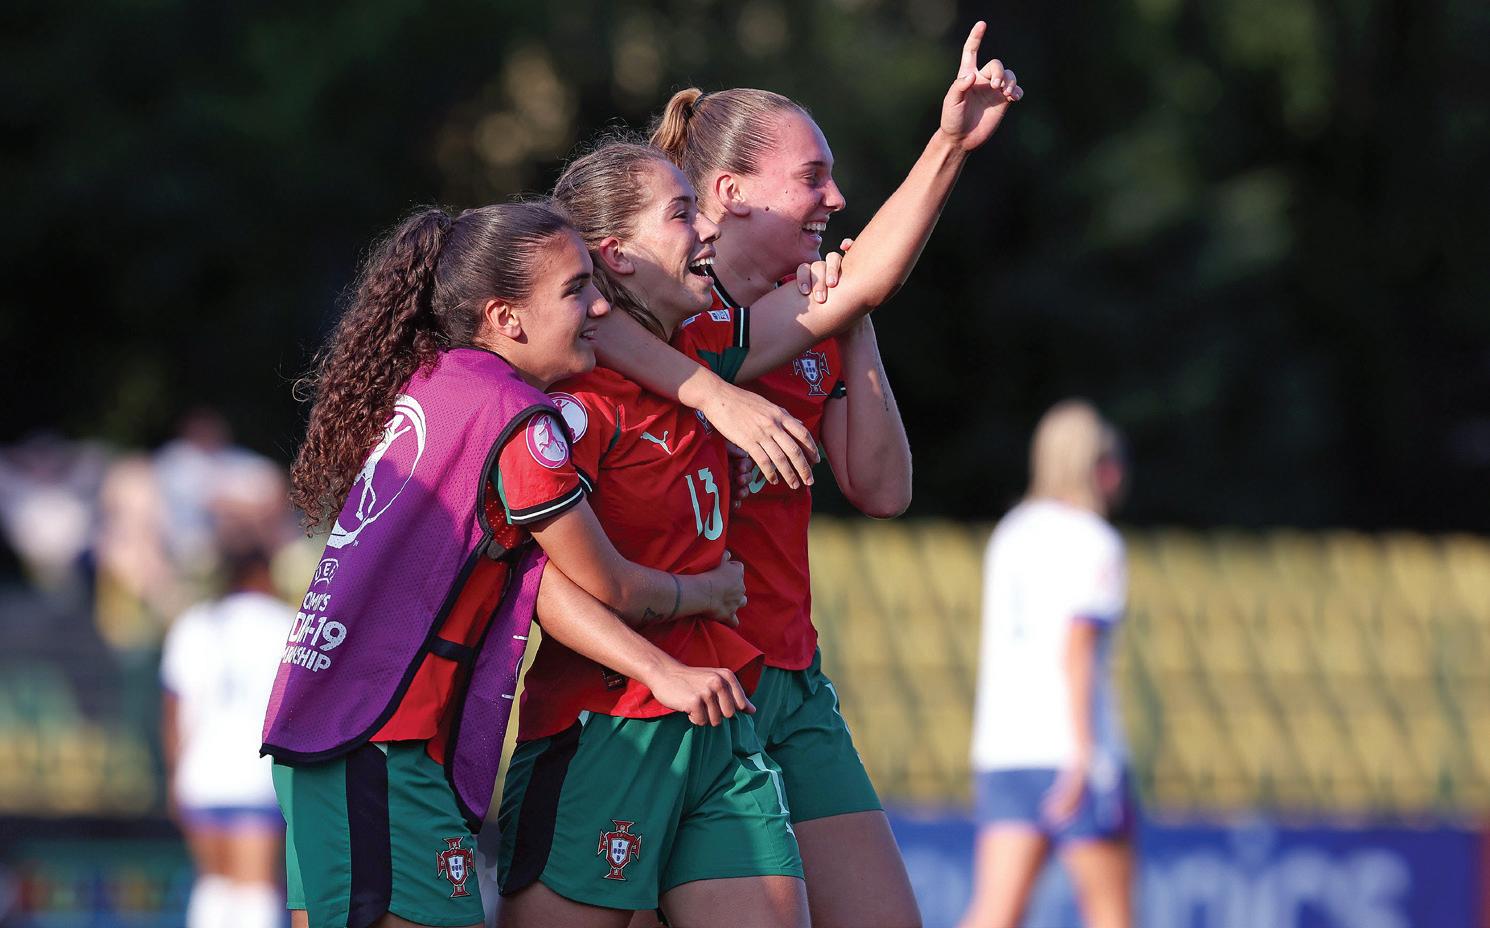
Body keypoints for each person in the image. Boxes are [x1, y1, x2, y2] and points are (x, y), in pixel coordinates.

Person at [590, 21, 1022, 928]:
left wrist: (851, 324)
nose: (835, 196)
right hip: (683, 679)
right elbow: (582, 311)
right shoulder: (673, 313)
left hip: (790, 674)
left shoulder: (805, 316)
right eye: (812, 177)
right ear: (731, 194)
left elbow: (885, 490)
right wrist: (946, 145)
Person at [263, 201, 757, 928]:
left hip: (346, 732)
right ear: (505, 318)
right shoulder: (517, 417)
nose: (599, 308)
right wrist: (707, 592)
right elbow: (608, 583)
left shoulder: (437, 381)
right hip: (382, 741)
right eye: (575, 290)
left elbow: (536, 579)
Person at [960, 400, 1135, 928]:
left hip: (1005, 749)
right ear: (1097, 467)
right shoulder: (1094, 540)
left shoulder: (1011, 532)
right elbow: (1077, 647)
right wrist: (1084, 755)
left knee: (994, 913)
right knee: (1110, 915)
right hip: (1070, 751)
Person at [162, 544, 290, 928]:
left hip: (200, 774)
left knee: (214, 885)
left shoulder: (193, 624)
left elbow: (173, 711)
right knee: (254, 888)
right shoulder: (285, 622)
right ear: (263, 575)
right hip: (257, 775)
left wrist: (175, 775)